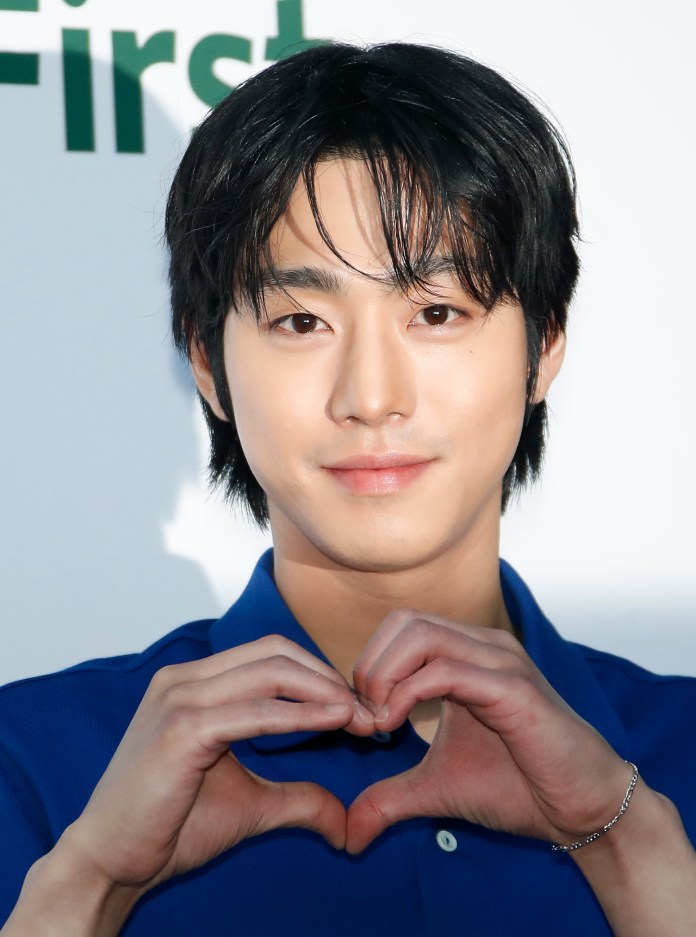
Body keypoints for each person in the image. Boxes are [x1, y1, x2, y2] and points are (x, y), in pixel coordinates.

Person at [1, 41, 695, 936]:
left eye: (437, 313)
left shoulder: (678, 747)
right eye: (301, 320)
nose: (371, 397)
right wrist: (89, 881)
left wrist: (630, 842)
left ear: (545, 346)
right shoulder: (32, 762)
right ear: (208, 363)